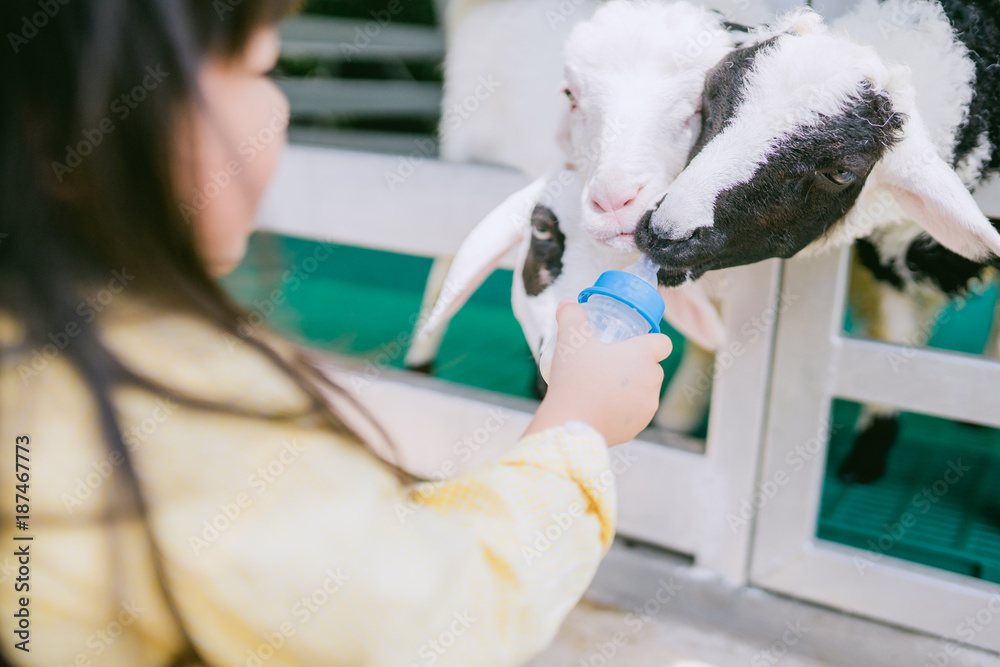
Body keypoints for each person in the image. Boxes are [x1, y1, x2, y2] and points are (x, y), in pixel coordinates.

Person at [0, 0, 672, 664]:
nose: (281, 108)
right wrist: (572, 429)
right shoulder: (187, 412)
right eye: (262, 67)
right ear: (62, 129)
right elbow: (434, 620)